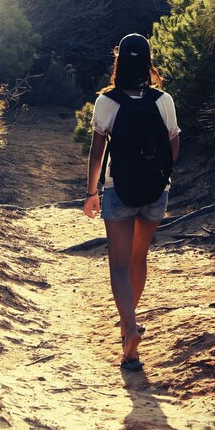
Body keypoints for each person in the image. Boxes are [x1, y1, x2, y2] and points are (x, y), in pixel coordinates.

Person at [83, 33, 180, 370]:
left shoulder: (106, 102)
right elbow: (174, 148)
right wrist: (156, 173)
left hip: (118, 192)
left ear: (119, 62)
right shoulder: (163, 100)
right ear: (148, 62)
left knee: (119, 266)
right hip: (156, 193)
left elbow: (97, 153)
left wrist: (91, 193)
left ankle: (130, 330)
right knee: (140, 259)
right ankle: (128, 332)